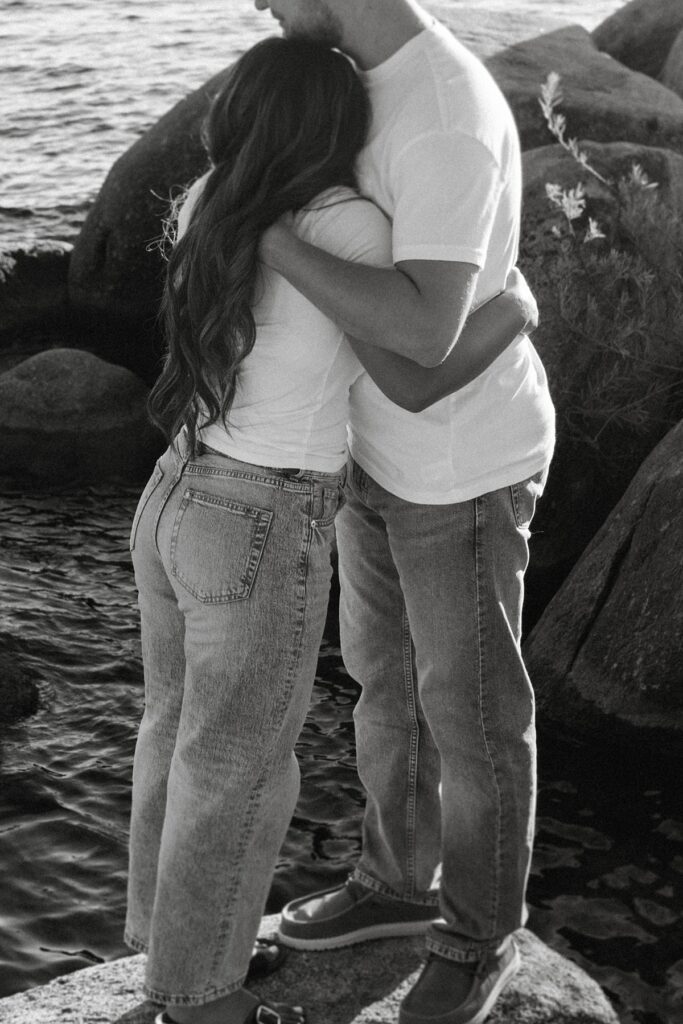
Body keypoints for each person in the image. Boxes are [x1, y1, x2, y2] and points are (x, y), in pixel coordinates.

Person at [124, 32, 537, 1024]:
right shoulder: (343, 227)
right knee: (238, 766)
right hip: (261, 514)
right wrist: (511, 312)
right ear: (333, 134)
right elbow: (408, 361)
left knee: (174, 735)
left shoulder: (203, 199)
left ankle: (169, 954)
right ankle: (200, 999)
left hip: (176, 486)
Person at [253, 3, 556, 1024]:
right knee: (384, 688)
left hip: (460, 466)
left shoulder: (439, 111)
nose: (257, 2)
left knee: (470, 718)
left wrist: (269, 241)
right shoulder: (353, 81)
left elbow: (423, 348)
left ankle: (478, 938)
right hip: (371, 455)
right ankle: (396, 887)